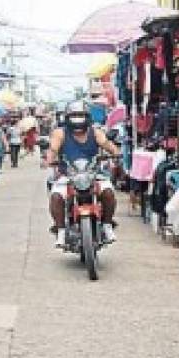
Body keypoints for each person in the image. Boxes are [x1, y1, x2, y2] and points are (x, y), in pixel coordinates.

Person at [46, 101, 120, 248]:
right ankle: (60, 230)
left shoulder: (96, 132)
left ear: (87, 117)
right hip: (67, 174)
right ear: (68, 118)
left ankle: (107, 225)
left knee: (108, 192)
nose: (77, 120)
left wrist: (115, 153)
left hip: (93, 173)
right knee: (56, 196)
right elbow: (53, 150)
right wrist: (49, 159)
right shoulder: (60, 133)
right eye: (74, 116)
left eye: (80, 116)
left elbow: (108, 145)